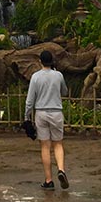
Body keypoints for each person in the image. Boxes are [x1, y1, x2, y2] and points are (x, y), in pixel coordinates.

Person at [25, 50, 69, 190]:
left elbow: (30, 100)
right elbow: (65, 92)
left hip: (41, 113)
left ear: (40, 61)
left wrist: (26, 117)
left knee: (45, 146)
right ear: (52, 61)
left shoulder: (35, 77)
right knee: (58, 144)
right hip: (56, 112)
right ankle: (61, 170)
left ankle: (48, 180)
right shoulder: (58, 75)